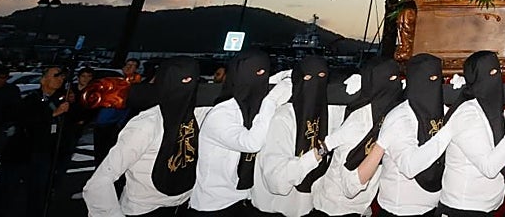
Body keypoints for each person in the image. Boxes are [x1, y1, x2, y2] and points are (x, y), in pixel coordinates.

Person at [82, 56, 201, 216]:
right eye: (182, 80)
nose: (188, 85)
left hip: (184, 204)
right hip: (145, 209)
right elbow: (100, 180)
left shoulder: (197, 116)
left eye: (192, 80)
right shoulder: (145, 125)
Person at [345, 54, 455, 217]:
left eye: (438, 78)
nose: (434, 83)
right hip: (399, 211)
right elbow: (409, 166)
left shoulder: (443, 112)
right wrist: (449, 131)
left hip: (432, 207)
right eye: (429, 78)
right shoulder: (400, 118)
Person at [188, 48, 292, 215]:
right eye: (257, 72)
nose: (262, 78)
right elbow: (252, 143)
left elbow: (259, 83)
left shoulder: (249, 106)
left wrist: (287, 77)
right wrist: (270, 101)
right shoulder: (221, 114)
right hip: (214, 204)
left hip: (243, 198)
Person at [310, 57, 405, 217]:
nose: (396, 85)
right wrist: (381, 145)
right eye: (391, 79)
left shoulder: (382, 112)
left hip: (358, 208)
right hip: (336, 208)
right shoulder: (360, 124)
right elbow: (350, 187)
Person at [438, 50, 505, 217]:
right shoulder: (467, 115)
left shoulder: (490, 109)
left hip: (483, 208)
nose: (496, 78)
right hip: (462, 208)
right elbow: (489, 167)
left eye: (498, 72)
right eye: (490, 73)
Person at [251, 55, 331, 217]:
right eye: (308, 78)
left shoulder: (325, 114)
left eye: (322, 77)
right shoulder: (282, 119)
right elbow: (277, 181)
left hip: (306, 207)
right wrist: (321, 151)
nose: (315, 83)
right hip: (275, 209)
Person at [0, 64, 71, 217]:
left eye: (62, 77)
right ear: (43, 80)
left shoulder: (60, 100)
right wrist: (53, 115)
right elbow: (26, 121)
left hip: (42, 156)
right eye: (56, 75)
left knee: (37, 196)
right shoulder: (31, 99)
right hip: (19, 155)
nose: (60, 79)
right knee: (6, 195)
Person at [94, 57, 144, 168]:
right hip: (104, 120)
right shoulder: (113, 79)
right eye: (128, 64)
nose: (129, 67)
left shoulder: (135, 82)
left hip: (119, 122)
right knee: (101, 152)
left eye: (133, 66)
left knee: (113, 152)